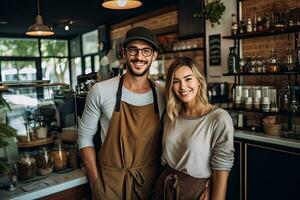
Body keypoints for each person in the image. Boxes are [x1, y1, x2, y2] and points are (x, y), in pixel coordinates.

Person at [78, 26, 165, 200]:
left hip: (149, 185)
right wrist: (96, 184)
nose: (139, 57)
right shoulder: (100, 90)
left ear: (154, 55)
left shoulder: (163, 94)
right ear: (124, 53)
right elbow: (84, 137)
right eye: (133, 50)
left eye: (146, 51)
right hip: (109, 185)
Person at [153, 57, 234, 200]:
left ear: (199, 81)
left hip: (196, 192)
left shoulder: (218, 118)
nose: (182, 86)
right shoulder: (170, 115)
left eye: (188, 79)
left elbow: (222, 169)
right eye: (176, 81)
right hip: (164, 188)